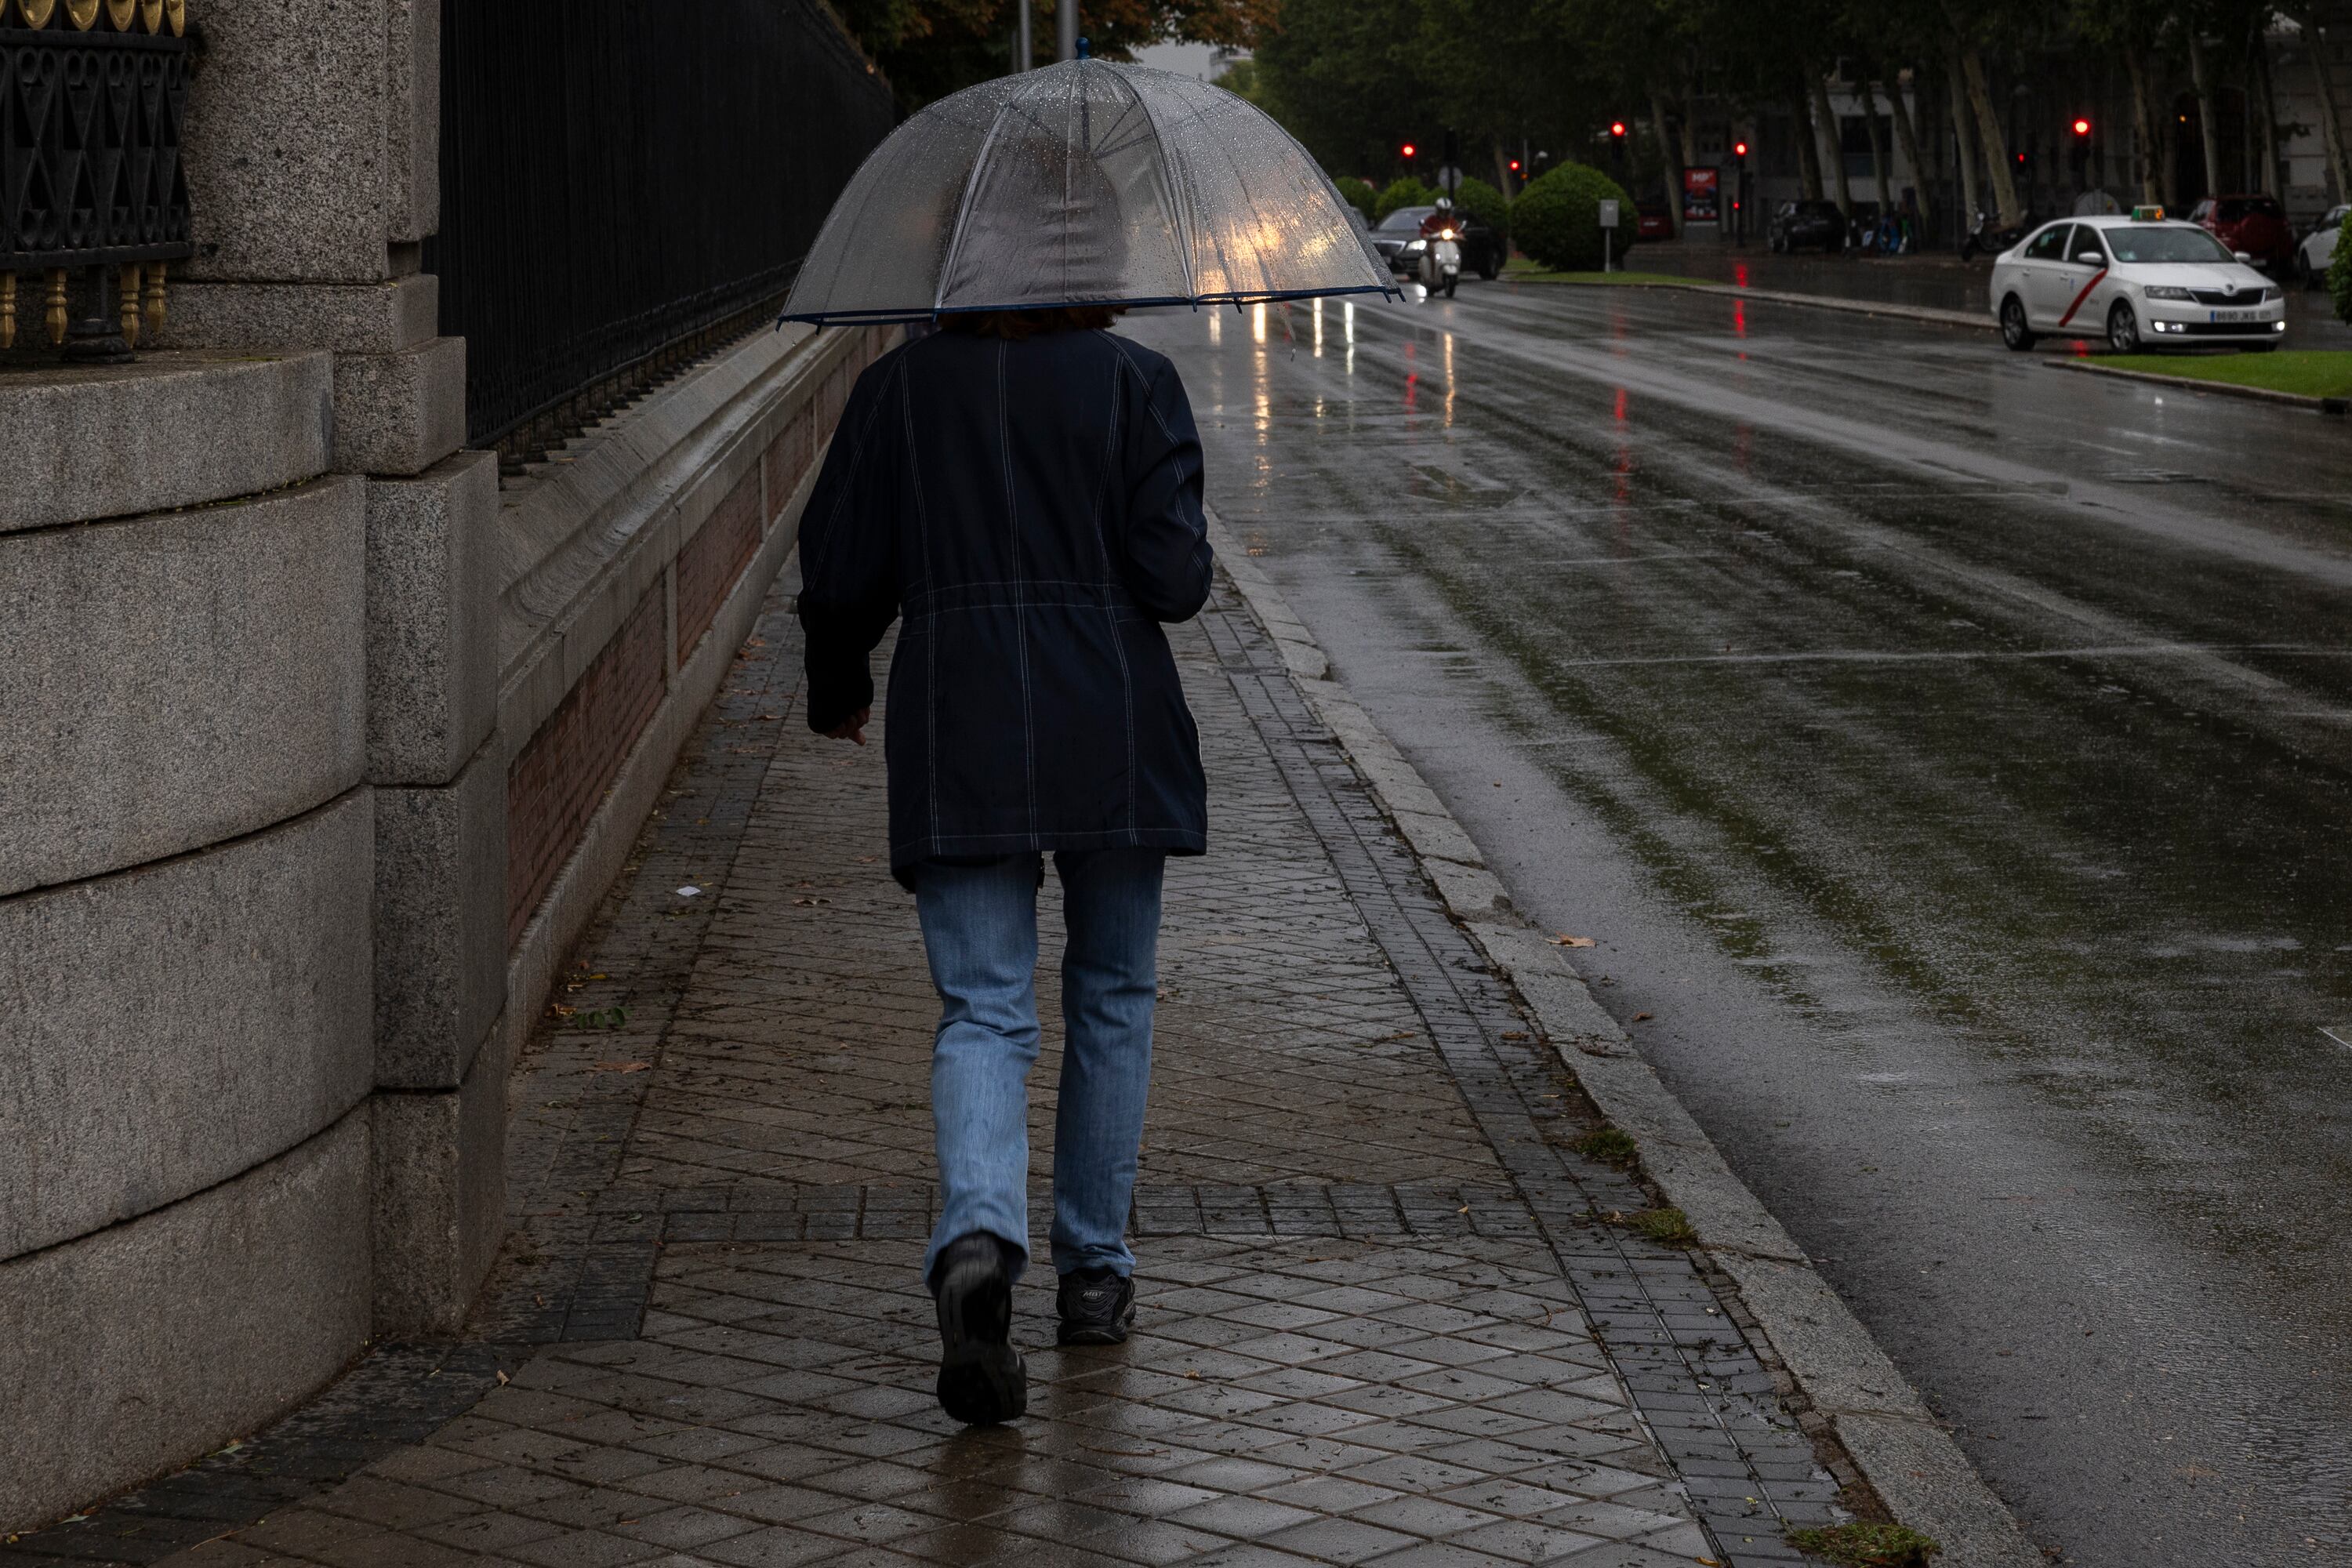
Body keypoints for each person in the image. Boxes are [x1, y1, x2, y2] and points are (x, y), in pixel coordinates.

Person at [794, 305, 1212, 1427]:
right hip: (1113, 724)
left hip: (960, 719)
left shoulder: (899, 390)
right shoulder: (1136, 381)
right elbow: (1174, 580)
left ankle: (980, 1235)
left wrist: (837, 684)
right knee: (1113, 995)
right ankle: (1094, 1274)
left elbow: (839, 566)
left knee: (983, 1009)